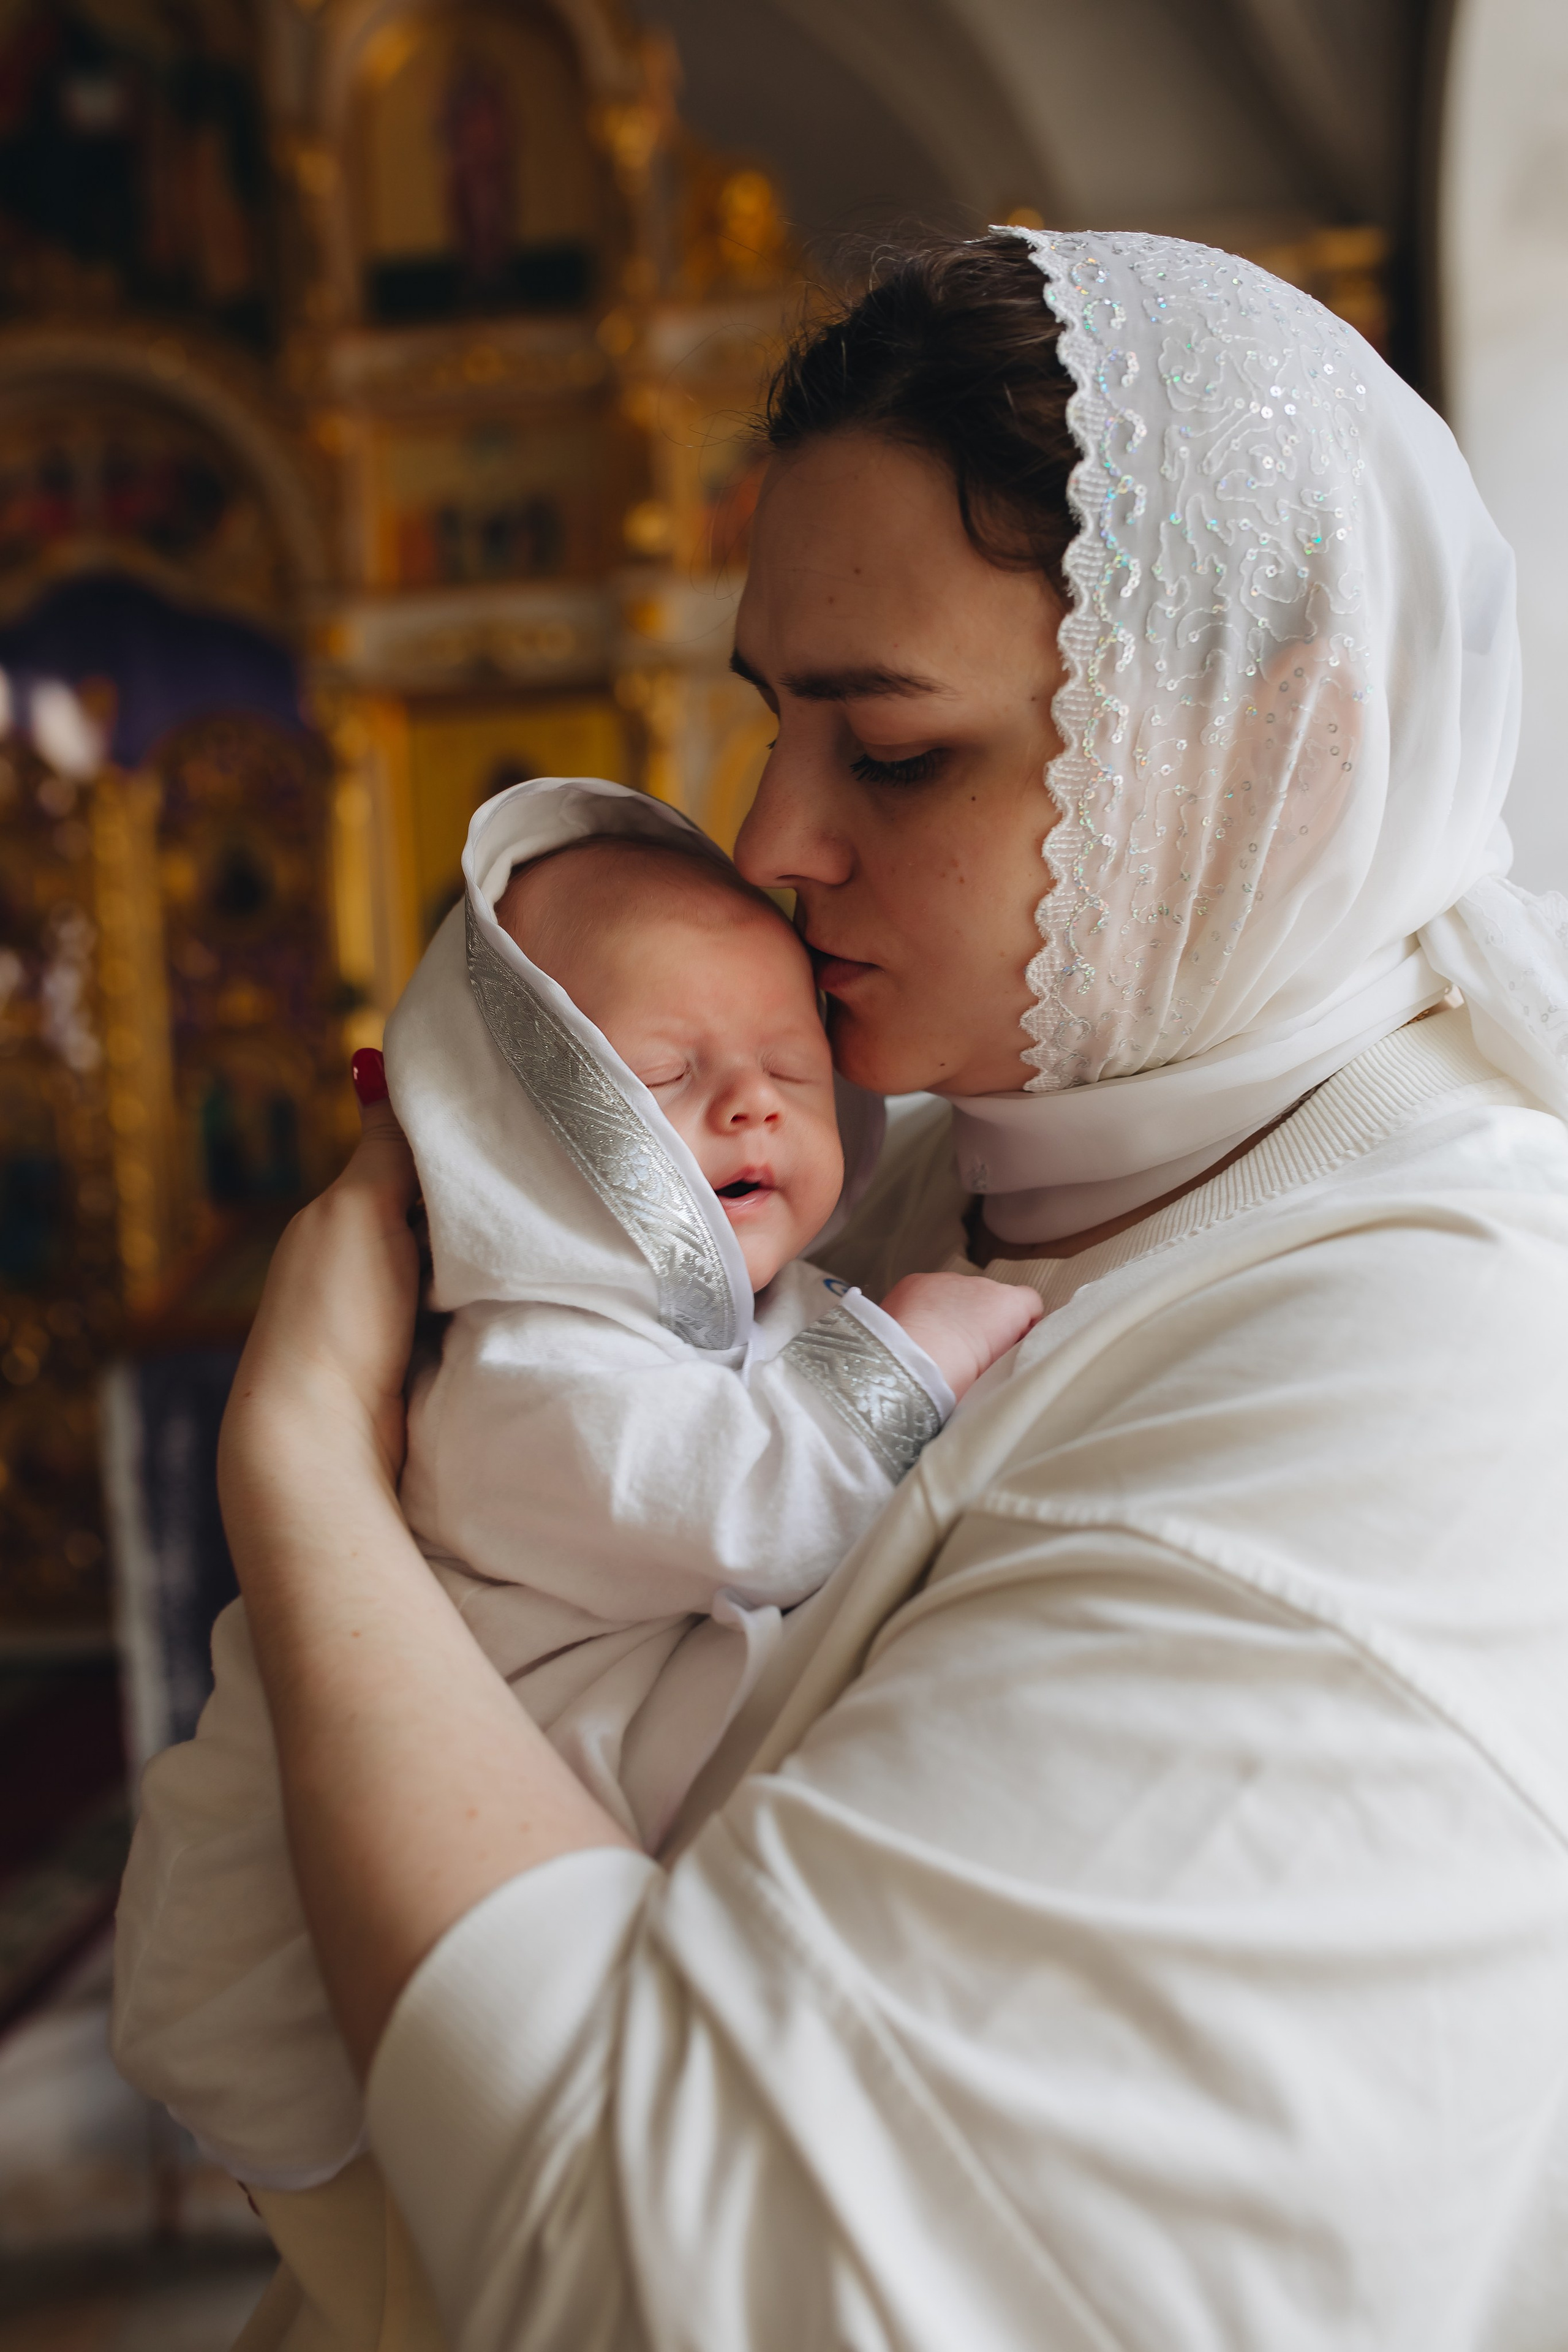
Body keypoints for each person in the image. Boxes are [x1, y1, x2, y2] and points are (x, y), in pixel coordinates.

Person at [212, 228, 1568, 2351]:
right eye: (769, 724)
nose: (767, 844)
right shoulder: (906, 1176)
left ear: (1290, 748)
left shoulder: (1449, 1373)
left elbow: (699, 2283)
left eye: (896, 753)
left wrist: (298, 1476)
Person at [111, 777, 1035, 2198]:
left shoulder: (750, 1307)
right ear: (512, 1130)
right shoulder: (526, 1371)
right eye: (661, 1077)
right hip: (348, 1941)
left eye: (793, 1069)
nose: (745, 1103)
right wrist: (914, 1351)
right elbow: (752, 1504)